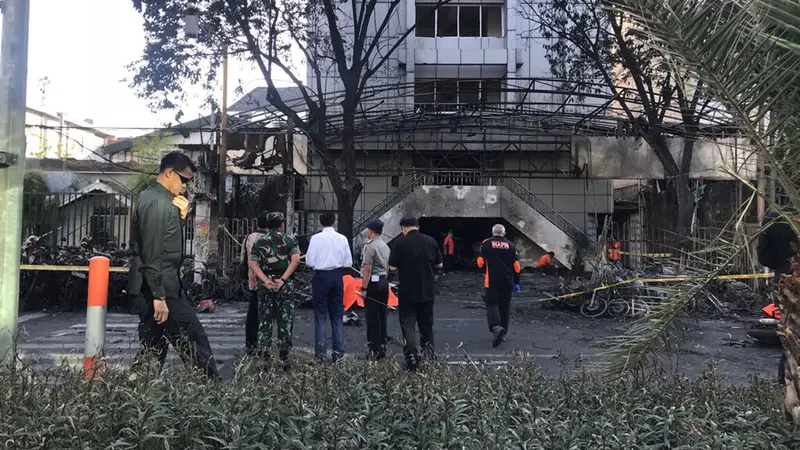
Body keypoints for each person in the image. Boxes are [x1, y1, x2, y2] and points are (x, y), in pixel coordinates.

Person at [128, 151, 218, 379]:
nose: (186, 187)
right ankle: (215, 395)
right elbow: (153, 252)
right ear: (169, 173)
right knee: (194, 340)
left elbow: (164, 240)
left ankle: (132, 396)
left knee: (153, 346)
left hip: (156, 284)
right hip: (161, 286)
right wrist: (159, 296)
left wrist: (181, 216)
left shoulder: (157, 199)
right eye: (184, 180)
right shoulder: (158, 204)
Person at [388, 217, 443, 371]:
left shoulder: (400, 243)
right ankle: (429, 354)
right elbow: (439, 264)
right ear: (417, 227)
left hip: (407, 290)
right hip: (427, 289)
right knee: (426, 324)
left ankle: (411, 357)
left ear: (404, 228)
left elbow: (392, 267)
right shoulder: (430, 241)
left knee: (408, 324)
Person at [248, 212, 302, 365]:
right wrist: (283, 279)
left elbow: (252, 263)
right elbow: (296, 260)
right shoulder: (289, 239)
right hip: (284, 285)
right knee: (285, 320)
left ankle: (264, 356)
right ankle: (283, 356)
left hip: (265, 285)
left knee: (264, 321)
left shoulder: (260, 241)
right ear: (281, 224)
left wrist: (265, 280)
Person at [757, 210, 799, 384]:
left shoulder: (773, 220)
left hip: (787, 284)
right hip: (790, 283)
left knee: (790, 338)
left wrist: (784, 265)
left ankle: (785, 382)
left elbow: (764, 257)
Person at [305, 211, 353, 362]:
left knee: (320, 316)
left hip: (321, 277)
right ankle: (338, 353)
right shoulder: (342, 238)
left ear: (320, 222)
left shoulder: (315, 239)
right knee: (337, 315)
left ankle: (320, 355)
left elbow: (309, 262)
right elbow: (348, 263)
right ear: (334, 221)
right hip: (337, 276)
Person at [477, 224, 521, 347]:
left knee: (492, 304)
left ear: (492, 232)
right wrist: (516, 282)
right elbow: (517, 267)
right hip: (508, 281)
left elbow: (480, 263)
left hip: (492, 280)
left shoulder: (486, 243)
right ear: (504, 233)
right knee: (505, 307)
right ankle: (503, 331)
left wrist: (483, 269)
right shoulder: (511, 246)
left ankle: (496, 327)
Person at [358, 219, 391, 360]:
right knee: (382, 315)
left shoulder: (369, 246)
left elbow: (367, 269)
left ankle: (373, 350)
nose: (365, 232)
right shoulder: (385, 245)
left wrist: (364, 288)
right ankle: (382, 347)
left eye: (367, 229)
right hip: (384, 281)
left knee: (372, 317)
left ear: (371, 231)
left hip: (373, 283)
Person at [242, 212, 269, 354]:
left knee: (252, 313)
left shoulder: (249, 237)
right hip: (269, 280)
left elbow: (243, 258)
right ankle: (265, 344)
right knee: (266, 314)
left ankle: (250, 344)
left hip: (253, 280)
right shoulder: (270, 238)